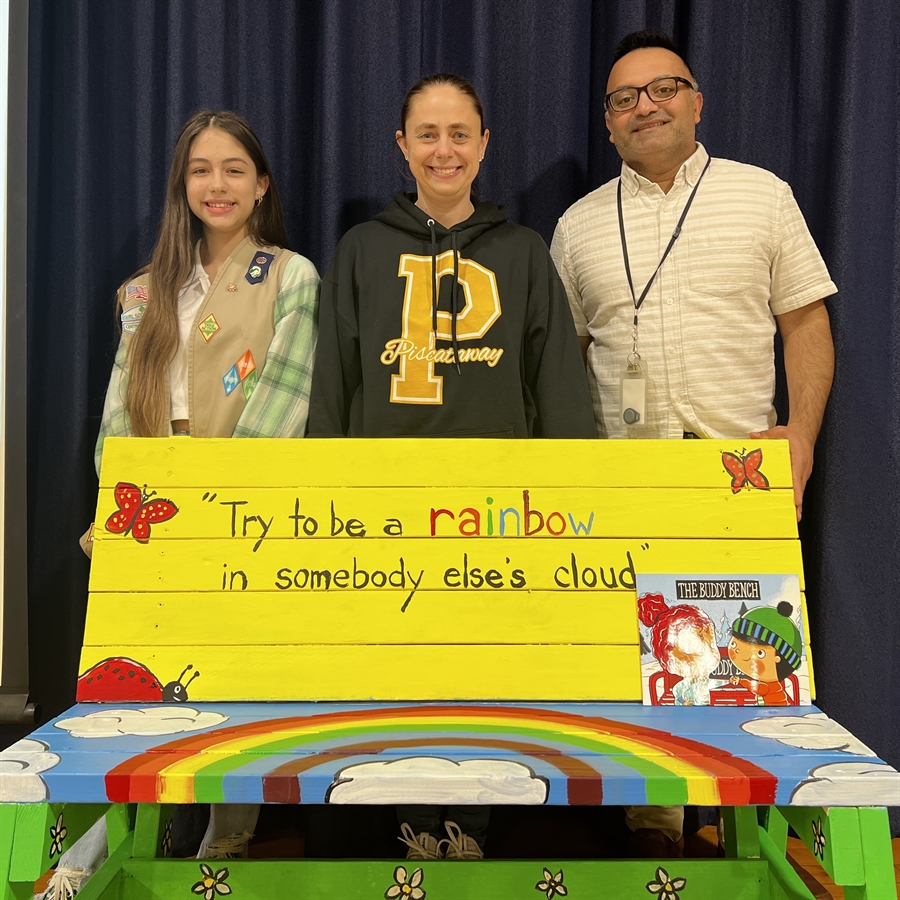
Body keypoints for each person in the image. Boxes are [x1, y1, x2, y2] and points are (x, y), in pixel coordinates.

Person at [550, 30, 836, 856]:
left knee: (745, 670)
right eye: (624, 98)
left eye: (663, 88)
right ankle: (653, 837)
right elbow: (562, 363)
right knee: (635, 668)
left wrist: (803, 439)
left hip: (736, 474)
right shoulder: (576, 226)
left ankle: (742, 842)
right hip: (622, 480)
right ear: (607, 123)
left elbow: (806, 322)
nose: (646, 106)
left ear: (698, 100)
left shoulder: (763, 195)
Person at [307, 73, 595, 859]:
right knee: (392, 685)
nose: (444, 150)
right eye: (427, 134)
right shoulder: (362, 250)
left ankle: (471, 827)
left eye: (459, 133)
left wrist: (577, 510)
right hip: (382, 517)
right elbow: (332, 385)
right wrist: (320, 505)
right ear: (402, 146)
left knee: (481, 686)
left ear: (484, 144)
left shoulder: (524, 252)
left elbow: (560, 395)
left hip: (497, 520)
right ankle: (391, 828)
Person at [86, 109, 319, 859]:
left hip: (239, 503)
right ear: (181, 185)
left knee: (233, 680)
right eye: (200, 170)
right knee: (141, 684)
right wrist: (124, 505)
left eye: (232, 170)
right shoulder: (142, 291)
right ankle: (129, 841)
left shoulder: (288, 276)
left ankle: (228, 845)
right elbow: (119, 412)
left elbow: (286, 399)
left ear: (261, 187)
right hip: (152, 503)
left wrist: (214, 504)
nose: (215, 185)